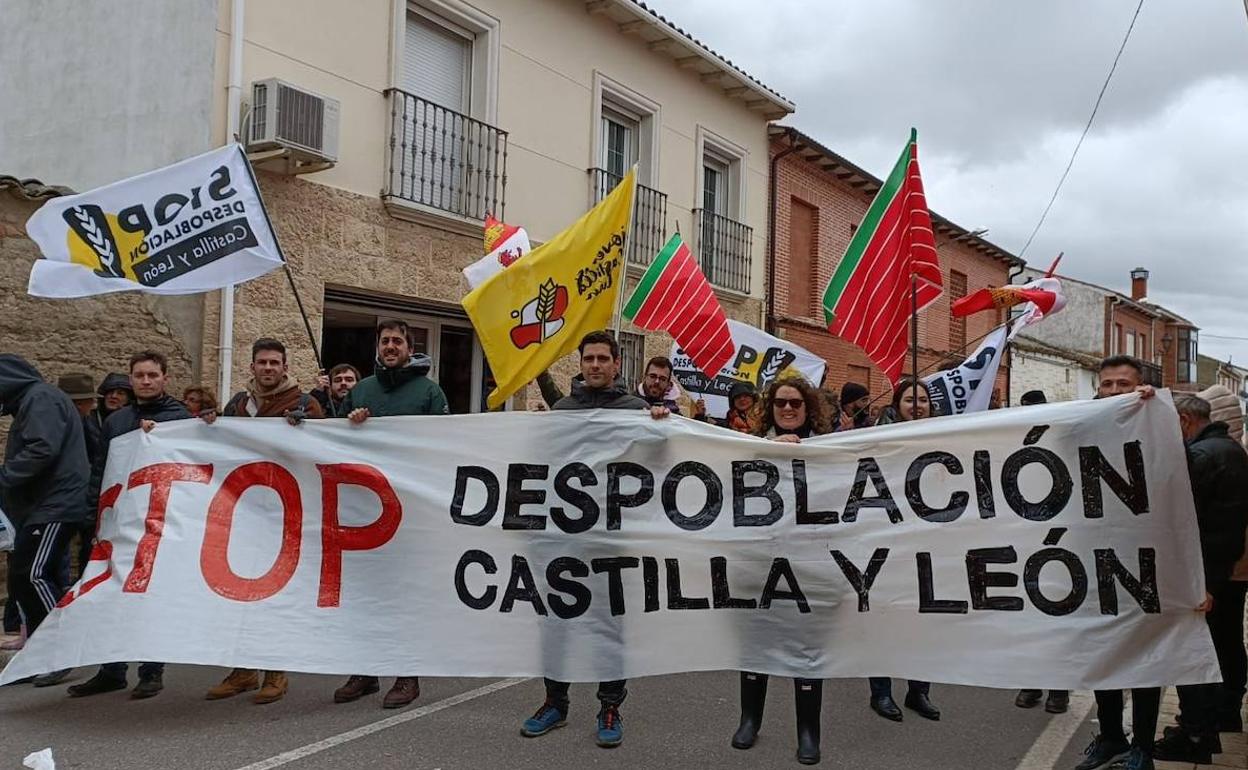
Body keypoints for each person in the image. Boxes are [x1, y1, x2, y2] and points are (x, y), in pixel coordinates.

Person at [520, 330, 670, 749]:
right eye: (589, 358)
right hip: (563, 538)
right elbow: (543, 466)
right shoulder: (564, 410)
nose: (597, 365)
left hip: (612, 539)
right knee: (556, 623)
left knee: (609, 624)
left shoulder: (637, 409)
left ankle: (609, 705)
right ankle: (554, 702)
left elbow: (658, 469)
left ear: (617, 364)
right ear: (581, 363)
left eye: (604, 358)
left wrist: (660, 431)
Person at [332, 319, 447, 710]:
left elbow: (444, 446)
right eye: (385, 341)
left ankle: (406, 674)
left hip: (409, 511)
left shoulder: (430, 392)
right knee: (365, 594)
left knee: (403, 595)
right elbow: (333, 439)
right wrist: (350, 423)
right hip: (365, 508)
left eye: (397, 341)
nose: (390, 346)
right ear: (377, 347)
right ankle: (365, 671)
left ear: (408, 348)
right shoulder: (361, 390)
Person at [201, 339, 323, 706]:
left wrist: (310, 428)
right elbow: (221, 446)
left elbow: (326, 448)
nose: (268, 368)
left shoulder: (305, 404)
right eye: (261, 363)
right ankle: (242, 671)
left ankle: (275, 672)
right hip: (243, 510)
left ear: (285, 367)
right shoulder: (239, 405)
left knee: (275, 596)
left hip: (285, 512)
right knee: (238, 595)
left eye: (274, 363)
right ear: (252, 367)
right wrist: (210, 424)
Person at [68, 351, 192, 700]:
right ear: (131, 379)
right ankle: (111, 669)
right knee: (110, 593)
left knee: (151, 595)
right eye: (140, 375)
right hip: (119, 520)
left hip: (159, 521)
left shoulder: (179, 417)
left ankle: (151, 671)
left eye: (153, 375)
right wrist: (95, 512)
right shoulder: (116, 420)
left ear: (165, 378)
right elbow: (102, 469)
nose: (147, 381)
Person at [730, 375, 830, 764]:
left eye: (795, 403)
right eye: (780, 403)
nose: (788, 409)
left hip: (809, 566)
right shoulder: (746, 446)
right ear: (769, 408)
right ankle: (750, 719)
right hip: (757, 564)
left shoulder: (832, 449)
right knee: (756, 645)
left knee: (807, 649)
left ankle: (808, 730)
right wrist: (770, 449)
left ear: (809, 409)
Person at [1151, 393, 1248, 763]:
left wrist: (1204, 582)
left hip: (1204, 574)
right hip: (1219, 570)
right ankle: (1208, 723)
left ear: (1184, 420)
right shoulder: (1226, 450)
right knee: (1220, 647)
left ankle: (1195, 732)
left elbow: (1191, 518)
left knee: (1192, 653)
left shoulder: (1203, 456)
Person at [1078, 355, 1161, 770]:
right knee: (1104, 654)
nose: (1113, 392)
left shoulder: (1157, 422)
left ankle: (1143, 745)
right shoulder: (1084, 423)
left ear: (1139, 386)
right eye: (1107, 384)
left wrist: (1156, 405)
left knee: (1146, 658)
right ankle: (1111, 736)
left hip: (1146, 562)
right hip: (1095, 560)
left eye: (1123, 384)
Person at [0, 356, 89, 688]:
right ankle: (40, 653)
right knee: (28, 578)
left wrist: (5, 475)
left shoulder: (40, 398)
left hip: (55, 505)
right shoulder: (34, 400)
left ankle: (61, 650)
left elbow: (41, 449)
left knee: (31, 574)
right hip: (44, 506)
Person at [867, 378, 942, 722]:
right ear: (897, 404)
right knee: (884, 621)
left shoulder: (945, 434)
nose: (917, 405)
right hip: (885, 543)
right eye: (910, 399)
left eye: (923, 400)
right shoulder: (874, 438)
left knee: (923, 622)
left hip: (926, 543)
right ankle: (881, 693)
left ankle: (918, 692)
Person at [1012, 389, 1071, 715]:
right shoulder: (1010, 441)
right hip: (1023, 541)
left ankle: (1058, 689)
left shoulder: (1061, 438)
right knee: (1029, 619)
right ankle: (1032, 682)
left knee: (1056, 615)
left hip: (1059, 541)